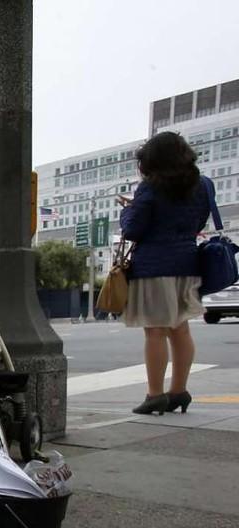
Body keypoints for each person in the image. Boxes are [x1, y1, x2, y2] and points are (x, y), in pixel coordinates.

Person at [119, 131, 212, 415]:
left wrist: (128, 210)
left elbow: (133, 229)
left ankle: (155, 394)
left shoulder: (150, 188)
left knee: (156, 331)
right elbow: (199, 220)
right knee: (180, 329)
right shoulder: (203, 185)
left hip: (154, 266)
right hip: (187, 264)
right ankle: (179, 391)